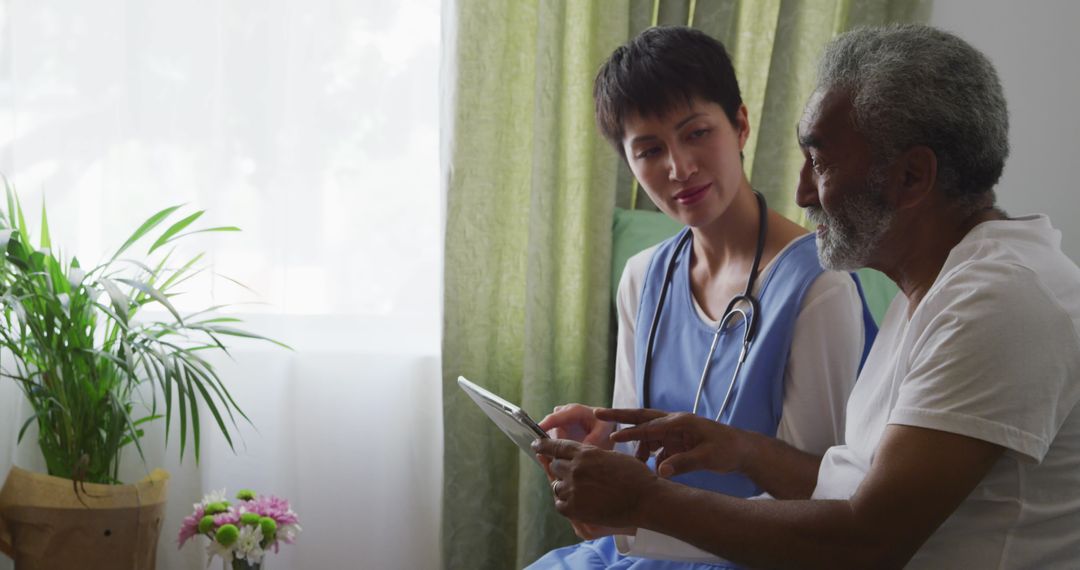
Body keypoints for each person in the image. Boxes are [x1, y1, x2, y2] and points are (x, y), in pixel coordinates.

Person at [534, 23, 1080, 568]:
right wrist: (743, 450)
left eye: (819, 162)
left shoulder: (1000, 301)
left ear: (912, 176)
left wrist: (645, 500)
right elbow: (848, 486)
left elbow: (866, 540)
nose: (800, 193)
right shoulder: (932, 292)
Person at [529, 26, 877, 569]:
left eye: (696, 133)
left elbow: (819, 498)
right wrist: (604, 447)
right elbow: (637, 454)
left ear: (740, 124)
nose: (679, 168)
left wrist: (638, 520)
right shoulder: (643, 278)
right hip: (647, 549)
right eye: (649, 150)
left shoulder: (820, 288)